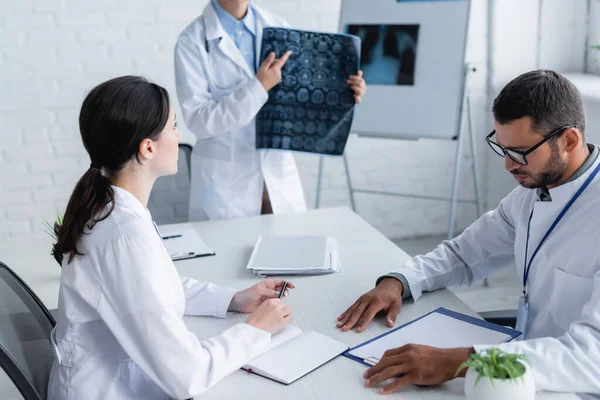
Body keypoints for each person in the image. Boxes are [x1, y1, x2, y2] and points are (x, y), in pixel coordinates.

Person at [337, 70, 600, 395]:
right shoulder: (532, 190)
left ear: (569, 141)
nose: (507, 165)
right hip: (517, 368)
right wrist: (401, 280)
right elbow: (464, 254)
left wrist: (463, 361)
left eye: (519, 152)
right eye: (501, 148)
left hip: (572, 385)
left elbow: (592, 358)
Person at [47, 76, 294, 400]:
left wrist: (233, 299)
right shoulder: (124, 235)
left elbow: (153, 289)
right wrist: (255, 330)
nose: (179, 136)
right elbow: (186, 376)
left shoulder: (113, 207)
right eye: (174, 126)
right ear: (147, 147)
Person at [174, 0, 366, 221]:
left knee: (287, 251)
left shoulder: (278, 27)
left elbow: (302, 99)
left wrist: (345, 91)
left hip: (277, 178)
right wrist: (259, 86)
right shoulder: (191, 42)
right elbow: (199, 120)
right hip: (227, 186)